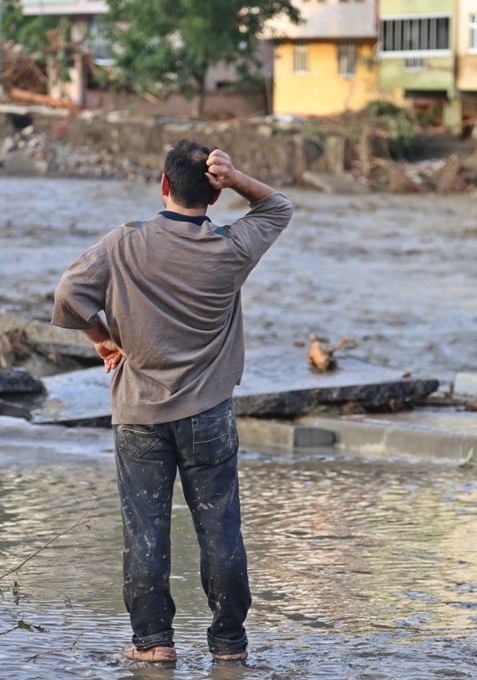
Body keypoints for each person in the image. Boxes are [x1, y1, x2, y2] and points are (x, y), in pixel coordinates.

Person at [51, 140, 293, 664]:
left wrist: (102, 337)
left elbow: (68, 297)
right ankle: (228, 644)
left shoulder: (123, 243)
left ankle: (153, 644)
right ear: (215, 192)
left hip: (138, 413)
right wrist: (237, 177)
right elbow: (277, 206)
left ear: (163, 185)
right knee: (220, 525)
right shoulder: (231, 248)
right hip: (209, 414)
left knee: (145, 527)